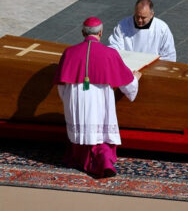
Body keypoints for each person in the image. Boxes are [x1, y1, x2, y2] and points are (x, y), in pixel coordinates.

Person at [54, 16, 141, 178]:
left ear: (82, 32)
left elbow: (61, 86)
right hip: (99, 101)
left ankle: (82, 159)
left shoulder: (69, 52)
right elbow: (127, 84)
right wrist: (135, 78)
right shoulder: (109, 54)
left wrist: (69, 101)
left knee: (83, 133)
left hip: (77, 100)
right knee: (99, 136)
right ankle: (103, 162)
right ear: (101, 33)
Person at [107, 0, 176, 61]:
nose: (139, 20)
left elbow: (168, 55)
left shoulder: (162, 28)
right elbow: (114, 47)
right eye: (137, 16)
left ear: (151, 14)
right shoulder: (123, 25)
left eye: (143, 17)